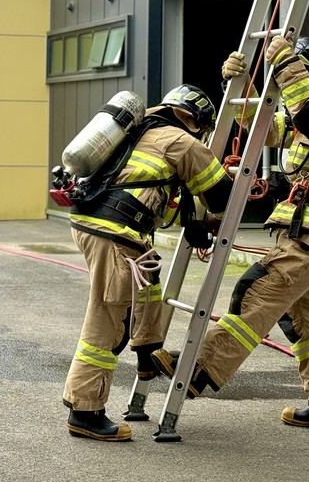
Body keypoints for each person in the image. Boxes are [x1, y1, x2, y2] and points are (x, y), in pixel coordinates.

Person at [152, 35, 309, 431]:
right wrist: (238, 85)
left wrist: (286, 66)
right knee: (303, 314)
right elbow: (261, 126)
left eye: (298, 80)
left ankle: (197, 368)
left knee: (256, 291)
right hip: (303, 227)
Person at [63, 85, 233, 441]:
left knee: (148, 280)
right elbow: (222, 198)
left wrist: (193, 219)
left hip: (99, 224)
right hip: (115, 233)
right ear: (196, 120)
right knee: (108, 321)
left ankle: (148, 353)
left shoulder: (141, 129)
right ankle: (85, 410)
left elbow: (153, 192)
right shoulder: (183, 142)